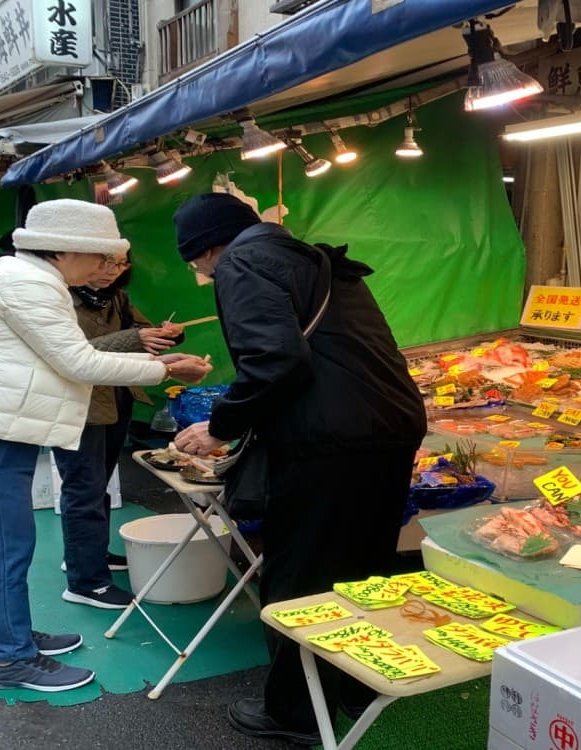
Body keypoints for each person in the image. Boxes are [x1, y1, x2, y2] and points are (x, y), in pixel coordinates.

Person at [170, 193, 426, 745]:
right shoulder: (312, 258)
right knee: (364, 565)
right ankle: (359, 685)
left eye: (195, 263)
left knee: (300, 573)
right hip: (391, 425)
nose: (200, 272)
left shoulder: (240, 263)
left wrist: (220, 426)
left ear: (209, 248)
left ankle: (295, 714)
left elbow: (275, 360)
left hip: (329, 441)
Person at [0, 198, 212, 693]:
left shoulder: (25, 277)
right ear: (66, 250)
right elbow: (78, 361)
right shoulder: (28, 284)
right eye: (101, 256)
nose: (106, 268)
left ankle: (2, 636)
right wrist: (166, 368)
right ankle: (8, 657)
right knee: (2, 545)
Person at [54, 252, 187, 609]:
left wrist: (170, 334)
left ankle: (89, 555)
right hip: (79, 406)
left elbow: (144, 334)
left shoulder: (117, 298)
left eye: (119, 265)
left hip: (116, 398)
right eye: (103, 262)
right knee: (83, 488)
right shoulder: (57, 297)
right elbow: (69, 354)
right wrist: (136, 339)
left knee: (99, 483)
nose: (110, 271)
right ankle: (85, 582)